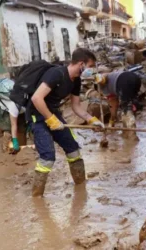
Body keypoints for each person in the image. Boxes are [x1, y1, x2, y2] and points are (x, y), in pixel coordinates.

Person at [28, 48, 104, 197]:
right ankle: (37, 197)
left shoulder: (76, 81)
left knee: (73, 149)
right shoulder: (56, 74)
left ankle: (81, 190)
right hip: (37, 115)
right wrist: (50, 119)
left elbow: (75, 106)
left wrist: (91, 119)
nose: (91, 70)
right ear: (81, 64)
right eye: (90, 66)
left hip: (53, 114)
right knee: (48, 156)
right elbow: (36, 98)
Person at [0, 77, 26, 154]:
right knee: (8, 128)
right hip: (1, 105)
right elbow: (13, 125)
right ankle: (6, 151)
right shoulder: (13, 106)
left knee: (22, 127)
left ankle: (21, 150)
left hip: (15, 104)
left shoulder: (26, 101)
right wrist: (15, 141)